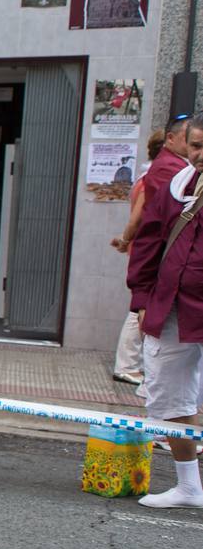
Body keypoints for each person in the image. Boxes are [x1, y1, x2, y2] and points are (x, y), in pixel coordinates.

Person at [129, 118, 203, 508]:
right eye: (197, 146)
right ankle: (189, 487)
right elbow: (148, 243)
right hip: (173, 305)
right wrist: (141, 299)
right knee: (168, 394)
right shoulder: (176, 188)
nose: (201, 154)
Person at [109, 128, 168, 385]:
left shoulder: (147, 175)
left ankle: (132, 363)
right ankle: (127, 365)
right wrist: (125, 240)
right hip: (146, 253)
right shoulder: (152, 178)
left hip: (142, 250)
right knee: (139, 309)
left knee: (140, 307)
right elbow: (138, 217)